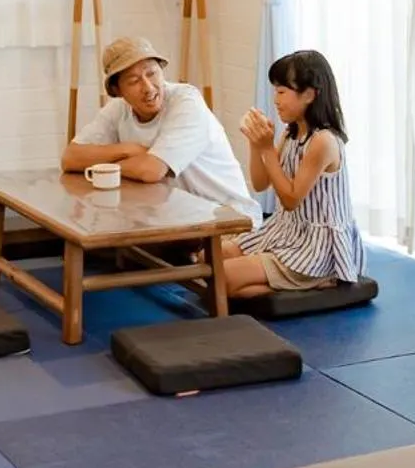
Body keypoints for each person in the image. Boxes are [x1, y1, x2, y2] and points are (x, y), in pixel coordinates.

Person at [63, 36, 259, 226]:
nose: (148, 88)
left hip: (227, 219)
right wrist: (128, 149)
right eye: (133, 81)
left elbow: (151, 171)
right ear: (118, 90)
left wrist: (106, 168)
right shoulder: (118, 110)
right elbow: (70, 158)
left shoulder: (186, 101)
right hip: (172, 220)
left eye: (151, 74)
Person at [224, 50, 365, 297]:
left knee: (221, 279)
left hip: (315, 247)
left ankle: (319, 279)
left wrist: (267, 148)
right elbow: (260, 184)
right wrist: (256, 144)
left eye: (281, 92)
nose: (275, 100)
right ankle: (285, 284)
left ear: (309, 95)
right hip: (285, 232)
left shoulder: (324, 141)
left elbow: (290, 200)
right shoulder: (290, 134)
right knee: (208, 260)